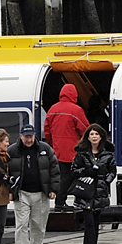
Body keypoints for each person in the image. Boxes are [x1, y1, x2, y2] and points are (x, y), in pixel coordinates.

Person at [8, 124, 60, 244]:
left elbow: (55, 169)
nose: (29, 140)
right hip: (22, 192)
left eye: (31, 136)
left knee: (39, 224)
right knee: (22, 224)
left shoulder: (45, 149)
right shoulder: (12, 150)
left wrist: (53, 189)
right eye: (26, 137)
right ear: (21, 136)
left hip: (41, 192)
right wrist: (10, 191)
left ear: (35, 136)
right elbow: (7, 172)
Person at [70, 123, 116, 244]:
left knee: (96, 222)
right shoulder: (82, 154)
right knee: (89, 222)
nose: (94, 136)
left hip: (100, 192)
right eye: (91, 134)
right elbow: (74, 170)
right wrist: (87, 171)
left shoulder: (108, 155)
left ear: (101, 137)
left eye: (97, 134)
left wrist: (105, 182)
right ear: (88, 137)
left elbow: (112, 171)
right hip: (86, 192)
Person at [44, 83, 89, 211]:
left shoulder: (52, 109)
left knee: (62, 177)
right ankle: (62, 202)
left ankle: (60, 201)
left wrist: (53, 144)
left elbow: (47, 131)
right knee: (72, 177)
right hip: (72, 151)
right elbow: (85, 130)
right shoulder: (76, 110)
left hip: (57, 150)